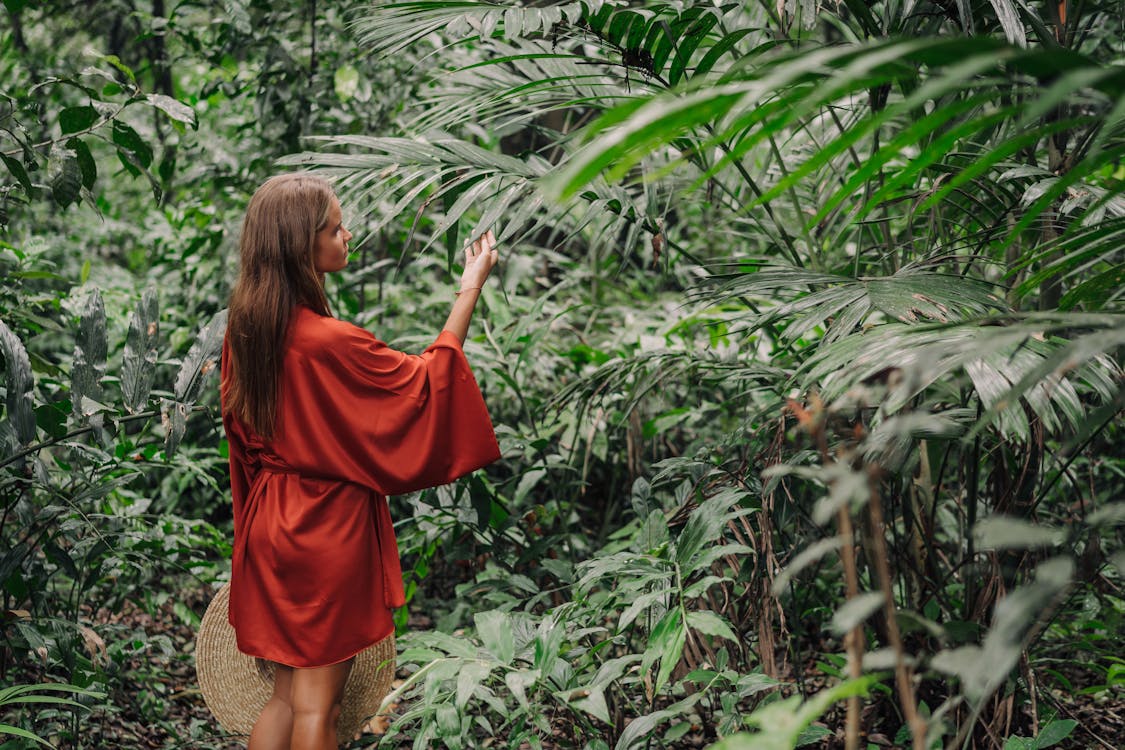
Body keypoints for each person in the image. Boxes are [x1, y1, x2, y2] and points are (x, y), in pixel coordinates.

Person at [219, 173, 501, 750]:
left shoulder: (246, 333)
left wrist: (250, 533)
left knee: (284, 696)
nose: (348, 235)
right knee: (319, 709)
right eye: (334, 228)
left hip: (271, 525)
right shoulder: (330, 341)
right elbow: (424, 388)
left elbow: (241, 442)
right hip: (328, 531)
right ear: (303, 246)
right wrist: (469, 287)